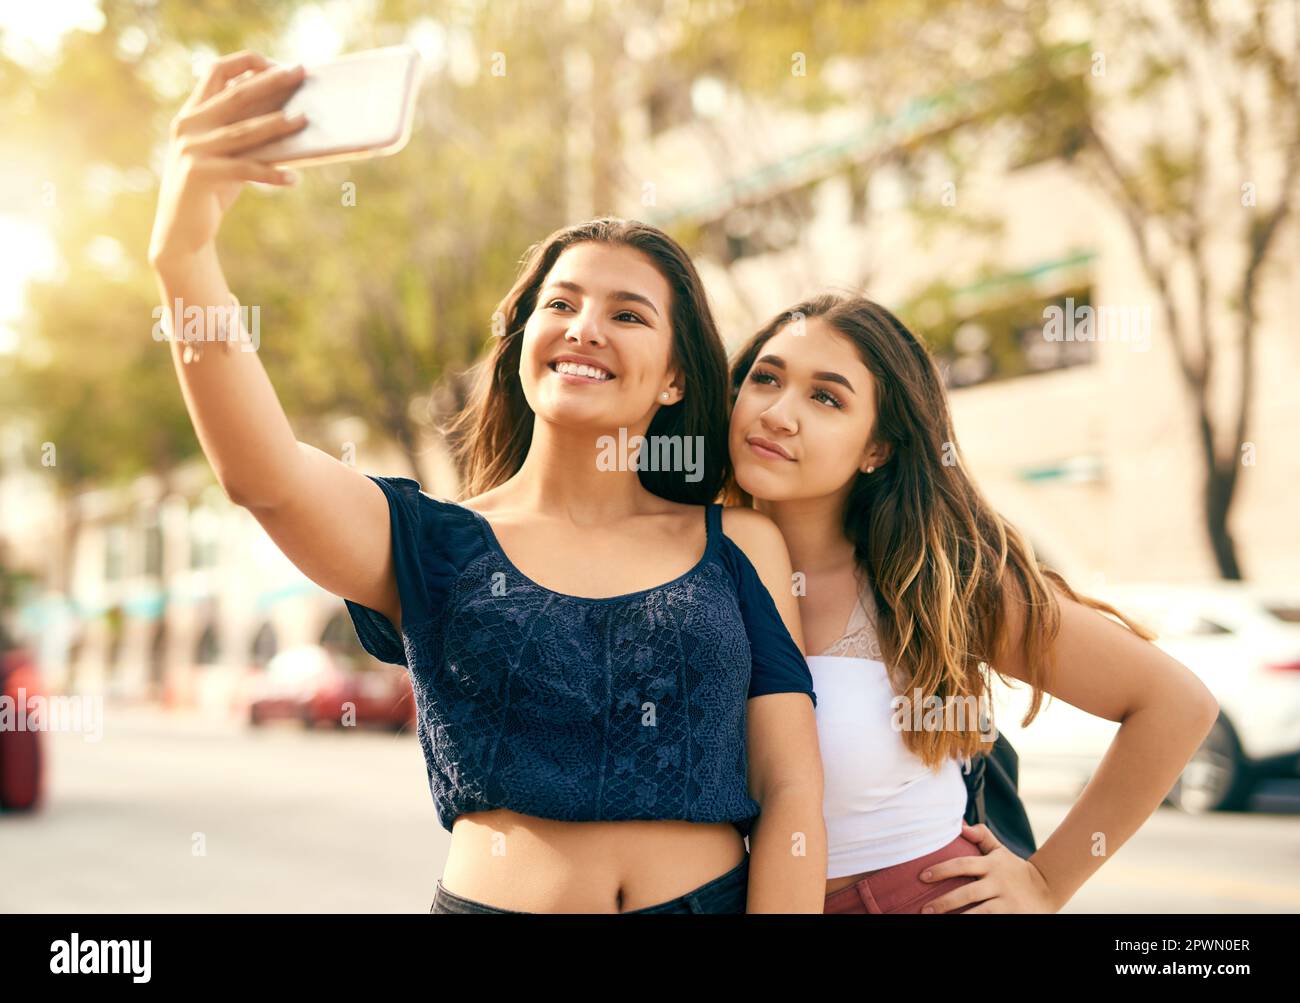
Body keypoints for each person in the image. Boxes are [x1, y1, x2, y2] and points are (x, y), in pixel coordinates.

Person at [147, 50, 826, 914]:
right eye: (562, 303)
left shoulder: (739, 543)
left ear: (675, 379)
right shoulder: (432, 541)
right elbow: (264, 476)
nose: (586, 327)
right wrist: (185, 253)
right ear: (523, 342)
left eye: (627, 313)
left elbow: (794, 791)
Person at [725, 293, 1220, 913]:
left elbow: (1176, 703)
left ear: (877, 448)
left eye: (826, 398)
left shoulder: (934, 581)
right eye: (765, 379)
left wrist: (1045, 884)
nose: (777, 413)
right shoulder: (680, 564)